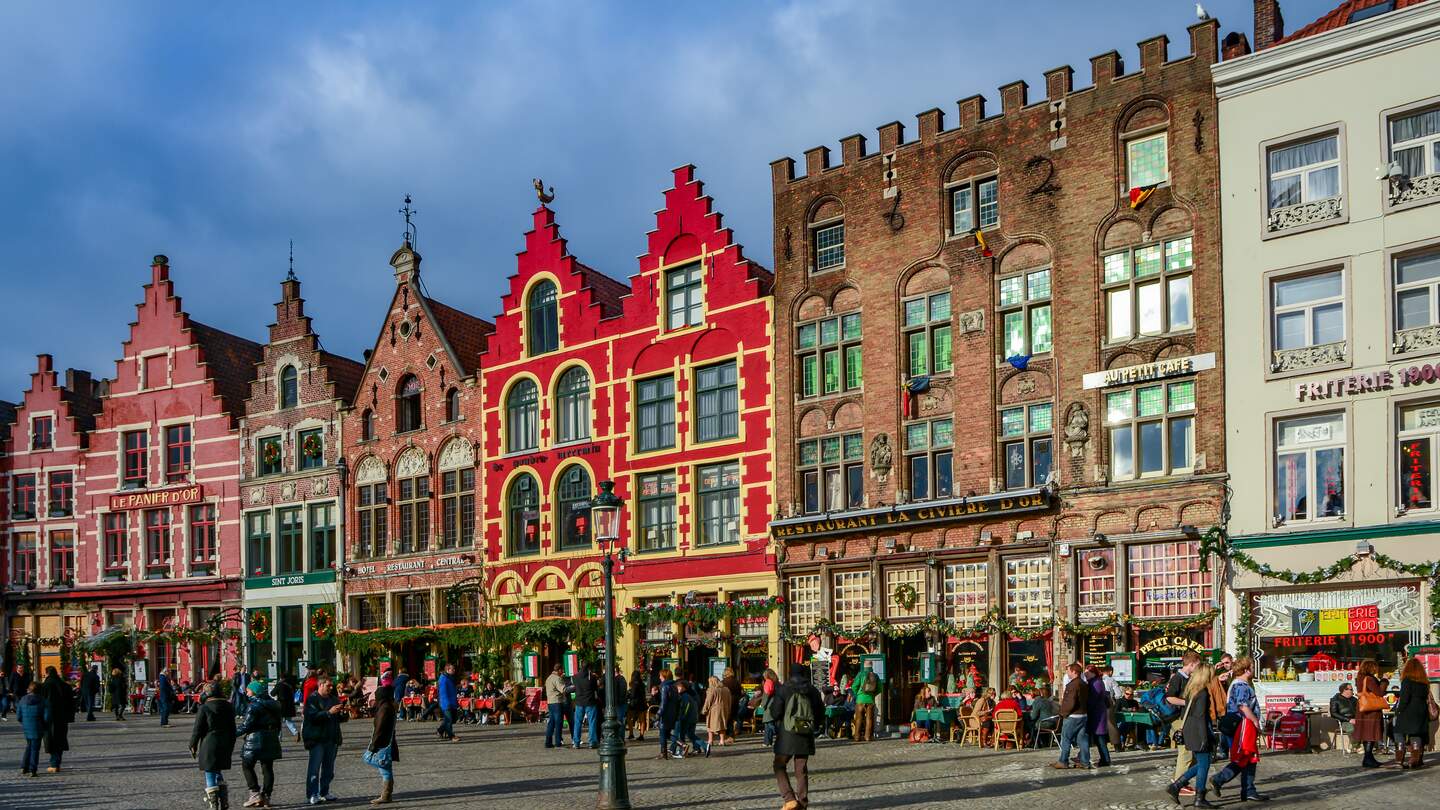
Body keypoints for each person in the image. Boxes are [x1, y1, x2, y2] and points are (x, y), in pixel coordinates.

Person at [1210, 656, 1267, 802]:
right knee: (1244, 757)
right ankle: (1220, 780)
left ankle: (1248, 790)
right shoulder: (1241, 685)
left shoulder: (1239, 684)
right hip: (1243, 725)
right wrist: (1255, 722)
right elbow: (1242, 706)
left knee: (1248, 758)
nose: (1254, 669)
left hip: (1243, 725)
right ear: (1247, 670)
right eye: (1252, 667)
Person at [1165, 662, 1219, 808]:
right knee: (1204, 764)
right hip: (1198, 731)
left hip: (1190, 730)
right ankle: (1198, 797)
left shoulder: (1192, 689)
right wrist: (1204, 738)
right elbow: (1200, 717)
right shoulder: (1202, 693)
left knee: (1202, 763)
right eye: (1211, 674)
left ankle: (1176, 786)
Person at [773, 664, 824, 810]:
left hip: (787, 733)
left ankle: (789, 799)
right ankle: (802, 803)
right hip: (806, 733)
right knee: (801, 769)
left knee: (779, 765)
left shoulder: (784, 689)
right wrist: (815, 725)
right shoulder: (812, 690)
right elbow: (820, 711)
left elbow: (776, 711)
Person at [190, 680, 237, 810]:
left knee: (210, 771)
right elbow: (233, 729)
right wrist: (231, 744)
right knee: (217, 770)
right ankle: (223, 800)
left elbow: (197, 729)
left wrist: (192, 745)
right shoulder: (228, 706)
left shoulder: (205, 708)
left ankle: (214, 804)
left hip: (209, 742)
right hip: (225, 741)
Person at [236, 680, 282, 808]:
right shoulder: (274, 705)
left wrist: (232, 734)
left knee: (247, 765)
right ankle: (267, 796)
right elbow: (278, 723)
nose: (247, 692)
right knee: (267, 768)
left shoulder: (254, 706)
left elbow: (246, 725)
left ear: (254, 691)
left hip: (255, 739)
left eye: (249, 690)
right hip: (271, 738)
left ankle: (255, 793)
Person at [302, 676, 348, 805]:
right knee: (314, 768)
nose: (331, 688)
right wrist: (329, 713)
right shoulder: (313, 699)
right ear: (320, 685)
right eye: (328, 686)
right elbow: (312, 718)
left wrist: (343, 713)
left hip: (331, 738)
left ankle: (324, 791)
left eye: (331, 685)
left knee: (329, 769)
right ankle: (312, 794)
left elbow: (338, 718)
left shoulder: (333, 699)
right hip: (317, 739)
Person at [1166, 651, 1202, 795]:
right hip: (1178, 719)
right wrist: (1188, 703)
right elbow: (1170, 698)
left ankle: (1182, 780)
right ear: (1191, 664)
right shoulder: (1178, 678)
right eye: (1197, 665)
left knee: (1190, 751)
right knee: (1185, 752)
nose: (1198, 668)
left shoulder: (1187, 677)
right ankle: (1178, 784)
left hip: (1185, 718)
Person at [364, 675, 400, 805]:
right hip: (387, 741)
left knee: (368, 758)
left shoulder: (384, 708)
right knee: (386, 769)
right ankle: (386, 794)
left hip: (383, 742)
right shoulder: (388, 706)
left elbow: (379, 728)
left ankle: (386, 794)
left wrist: (373, 745)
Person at [1393, 657, 1431, 769]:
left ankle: (1399, 760)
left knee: (1398, 732)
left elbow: (1404, 698)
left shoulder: (1407, 680)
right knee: (1416, 733)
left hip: (1408, 711)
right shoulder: (1424, 683)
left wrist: (1398, 711)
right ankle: (1414, 759)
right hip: (1421, 711)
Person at [1052, 663, 1090, 770]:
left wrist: (1063, 713)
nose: (1067, 673)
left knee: (1066, 738)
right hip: (1083, 715)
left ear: (1074, 671)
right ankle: (1085, 761)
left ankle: (1063, 761)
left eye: (1068, 671)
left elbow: (1070, 702)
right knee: (1082, 739)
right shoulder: (1083, 684)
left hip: (1073, 716)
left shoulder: (1072, 685)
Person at [1351, 659, 1386, 768]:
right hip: (1371, 710)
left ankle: (1369, 758)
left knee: (1366, 735)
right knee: (1371, 734)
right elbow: (1379, 692)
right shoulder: (1369, 679)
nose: (1376, 669)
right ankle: (1368, 758)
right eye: (1375, 667)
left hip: (1363, 709)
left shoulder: (1360, 678)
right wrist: (1384, 680)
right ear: (1370, 667)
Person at [38, 666, 73, 773]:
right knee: (60, 739)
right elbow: (71, 703)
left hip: (49, 717)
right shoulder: (65, 686)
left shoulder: (45, 686)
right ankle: (57, 762)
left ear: (47, 673)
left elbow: (41, 702)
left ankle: (54, 763)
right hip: (62, 717)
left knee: (51, 740)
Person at [17, 682, 46, 776]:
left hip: (26, 726)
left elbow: (18, 716)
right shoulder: (42, 700)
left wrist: (24, 722)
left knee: (29, 746)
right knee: (34, 749)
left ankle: (24, 767)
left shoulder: (22, 699)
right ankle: (33, 769)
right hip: (38, 726)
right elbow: (47, 716)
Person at [1086, 667, 1113, 766]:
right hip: (1096, 713)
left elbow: (1093, 699)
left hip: (1097, 714)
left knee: (1100, 738)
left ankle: (1105, 760)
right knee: (1098, 738)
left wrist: (1087, 708)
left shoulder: (1096, 683)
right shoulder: (1094, 681)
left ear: (1093, 673)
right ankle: (1104, 759)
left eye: (1087, 672)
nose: (1086, 674)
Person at [571, 662, 598, 749]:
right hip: (590, 702)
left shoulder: (575, 677)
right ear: (588, 668)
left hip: (579, 702)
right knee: (592, 722)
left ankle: (576, 742)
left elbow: (574, 687)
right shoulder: (592, 678)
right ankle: (592, 742)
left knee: (578, 723)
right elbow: (595, 689)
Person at [702, 675, 731, 755]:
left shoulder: (712, 690)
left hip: (714, 710)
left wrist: (704, 710)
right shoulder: (726, 689)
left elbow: (708, 701)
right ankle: (722, 740)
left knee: (710, 725)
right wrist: (728, 709)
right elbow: (729, 700)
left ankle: (710, 740)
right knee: (722, 725)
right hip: (724, 709)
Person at [852, 666, 881, 742]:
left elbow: (854, 686)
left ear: (864, 666)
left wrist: (857, 694)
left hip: (860, 700)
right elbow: (879, 688)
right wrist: (872, 695)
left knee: (858, 719)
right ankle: (868, 737)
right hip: (870, 700)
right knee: (869, 719)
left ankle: (857, 737)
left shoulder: (860, 674)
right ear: (872, 667)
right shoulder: (875, 675)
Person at [656, 669, 679, 760]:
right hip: (672, 713)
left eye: (660, 676)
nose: (659, 677)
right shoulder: (674, 686)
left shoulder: (664, 687)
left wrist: (658, 714)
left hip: (665, 714)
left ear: (664, 677)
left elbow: (663, 702)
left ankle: (663, 753)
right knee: (667, 733)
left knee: (662, 734)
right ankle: (682, 744)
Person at [435, 663, 460, 742]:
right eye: (452, 669)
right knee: (449, 720)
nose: (454, 670)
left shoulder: (450, 678)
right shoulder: (443, 679)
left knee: (452, 719)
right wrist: (447, 703)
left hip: (452, 702)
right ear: (448, 670)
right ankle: (451, 736)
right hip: (446, 703)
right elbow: (443, 693)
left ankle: (440, 730)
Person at [544, 664, 567, 749]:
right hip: (557, 702)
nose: (563, 672)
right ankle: (558, 742)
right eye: (562, 670)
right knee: (558, 723)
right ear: (559, 670)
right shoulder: (557, 678)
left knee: (551, 723)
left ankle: (548, 742)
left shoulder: (549, 678)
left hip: (550, 702)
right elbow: (563, 689)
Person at [1329, 682, 1357, 748]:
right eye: (1351, 689)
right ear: (1345, 690)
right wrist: (1349, 720)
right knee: (1351, 728)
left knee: (1369, 725)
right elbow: (1333, 714)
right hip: (1343, 721)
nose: (1352, 691)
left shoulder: (1354, 699)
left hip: (1356, 719)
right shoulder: (1335, 700)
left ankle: (1369, 746)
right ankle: (1357, 746)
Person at [271, 673, 299, 741]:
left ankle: (279, 737)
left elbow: (272, 693)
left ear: (281, 678)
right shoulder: (291, 685)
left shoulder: (279, 685)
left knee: (278, 722)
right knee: (288, 721)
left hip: (281, 705)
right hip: (289, 705)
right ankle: (295, 732)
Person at [759, 668, 781, 747]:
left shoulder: (768, 682)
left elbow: (766, 695)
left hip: (770, 705)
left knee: (769, 724)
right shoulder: (778, 683)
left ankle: (769, 741)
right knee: (771, 724)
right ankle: (767, 742)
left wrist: (763, 705)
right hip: (777, 705)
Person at [721, 667, 743, 743]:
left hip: (727, 702)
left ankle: (730, 736)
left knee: (728, 719)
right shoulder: (736, 681)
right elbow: (741, 693)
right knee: (732, 718)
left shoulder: (724, 682)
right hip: (735, 702)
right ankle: (732, 734)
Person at [626, 669, 648, 741]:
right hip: (642, 703)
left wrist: (628, 694)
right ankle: (641, 735)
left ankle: (631, 733)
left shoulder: (634, 684)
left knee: (629, 718)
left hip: (634, 704)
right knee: (642, 720)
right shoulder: (642, 684)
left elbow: (633, 694)